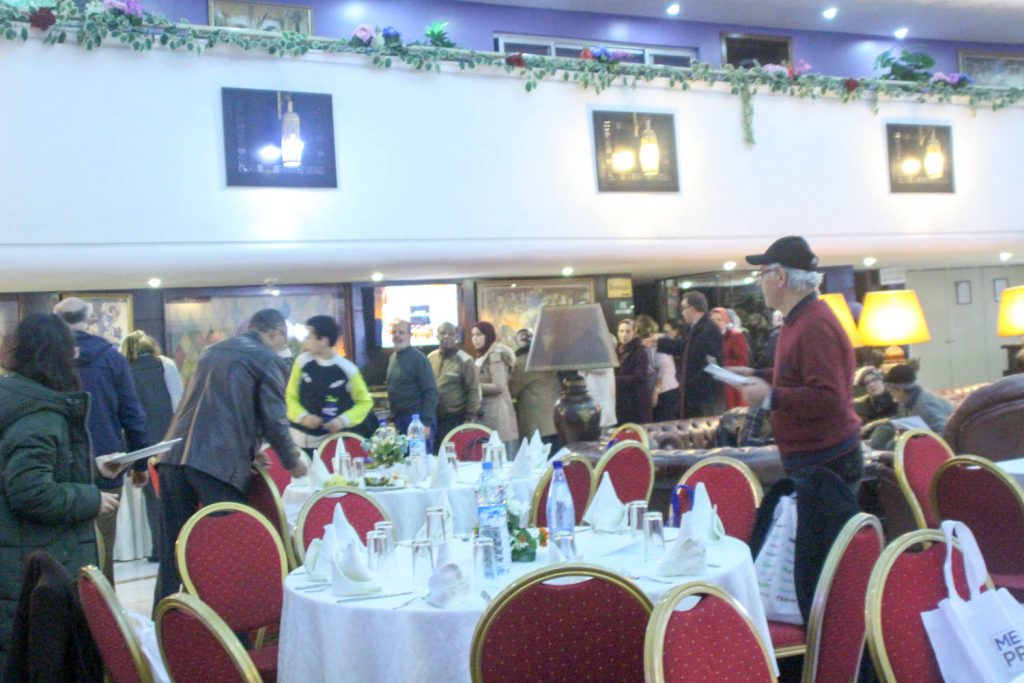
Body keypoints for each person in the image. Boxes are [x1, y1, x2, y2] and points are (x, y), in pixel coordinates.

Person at [155, 309, 307, 603]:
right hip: (217, 464)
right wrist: (292, 461)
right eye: (283, 340)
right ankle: (231, 621)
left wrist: (249, 449)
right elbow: (274, 419)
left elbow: (211, 408)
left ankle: (165, 621)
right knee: (228, 548)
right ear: (277, 332)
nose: (283, 346)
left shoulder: (211, 351)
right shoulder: (268, 359)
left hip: (174, 456)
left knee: (173, 550)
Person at [0, 314, 121, 669]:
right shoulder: (39, 415)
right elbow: (30, 492)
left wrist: (93, 468)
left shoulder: (21, 400)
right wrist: (92, 499)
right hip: (36, 559)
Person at [732, 236, 863, 490]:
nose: (759, 282)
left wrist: (770, 397)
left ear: (780, 276)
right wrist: (756, 373)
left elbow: (828, 397)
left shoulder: (814, 324)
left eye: (762, 274)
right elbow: (797, 374)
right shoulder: (801, 318)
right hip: (817, 458)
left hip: (826, 460)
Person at [54, 297, 150, 583]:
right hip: (106, 464)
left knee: (59, 549)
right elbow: (132, 414)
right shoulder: (112, 358)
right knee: (102, 548)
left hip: (59, 465)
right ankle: (101, 606)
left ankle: (64, 608)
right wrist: (140, 464)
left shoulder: (47, 359)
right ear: (90, 319)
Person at [120, 331, 183, 563]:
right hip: (168, 439)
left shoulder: (125, 369)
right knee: (171, 494)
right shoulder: (165, 364)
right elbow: (178, 401)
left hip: (139, 443)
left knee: (151, 497)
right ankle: (177, 544)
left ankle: (158, 547)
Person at [286, 315, 374, 458]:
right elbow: (290, 396)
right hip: (297, 441)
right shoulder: (301, 362)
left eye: (309, 337)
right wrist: (303, 416)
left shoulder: (348, 369)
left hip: (332, 443)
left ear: (323, 340)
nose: (305, 342)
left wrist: (343, 420)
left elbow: (364, 402)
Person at [644, 291, 724, 418]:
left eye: (684, 308)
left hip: (702, 393)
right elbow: (684, 348)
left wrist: (693, 383)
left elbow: (711, 364)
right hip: (688, 389)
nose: (682, 312)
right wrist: (659, 342)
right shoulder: (691, 328)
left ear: (693, 309)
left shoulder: (709, 329)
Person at [868, 364, 954, 450]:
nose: (890, 392)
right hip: (923, 442)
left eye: (890, 389)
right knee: (887, 437)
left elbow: (944, 434)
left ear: (900, 390)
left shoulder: (926, 405)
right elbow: (902, 421)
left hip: (944, 450)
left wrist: (916, 446)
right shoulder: (905, 401)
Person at [426, 322, 481, 448]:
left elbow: (473, 390)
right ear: (437, 336)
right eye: (442, 333)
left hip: (455, 419)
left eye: (450, 334)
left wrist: (470, 417)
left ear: (456, 336)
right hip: (433, 418)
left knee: (453, 455)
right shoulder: (430, 358)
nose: (446, 336)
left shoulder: (466, 360)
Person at [508, 328, 563, 451]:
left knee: (540, 460)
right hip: (556, 420)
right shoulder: (547, 357)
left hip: (537, 423)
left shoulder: (522, 362)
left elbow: (512, 391)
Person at [385, 320, 439, 445]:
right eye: (394, 332)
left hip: (418, 421)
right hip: (400, 420)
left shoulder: (419, 359)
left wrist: (425, 423)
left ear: (410, 336)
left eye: (401, 332)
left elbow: (431, 391)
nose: (397, 335)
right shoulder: (393, 358)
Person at [470, 321, 519, 454]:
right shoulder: (482, 355)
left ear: (488, 335)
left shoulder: (495, 355)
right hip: (486, 412)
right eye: (473, 335)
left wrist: (474, 388)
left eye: (479, 335)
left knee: (500, 456)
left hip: (497, 413)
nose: (475, 339)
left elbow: (499, 385)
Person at [711, 307, 750, 409]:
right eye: (712, 320)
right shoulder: (709, 337)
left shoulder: (735, 335)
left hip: (731, 386)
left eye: (719, 320)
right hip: (715, 385)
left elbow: (743, 361)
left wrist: (720, 363)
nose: (715, 323)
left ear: (726, 321)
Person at [615, 318, 652, 425]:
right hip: (622, 399)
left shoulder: (639, 351)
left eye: (628, 331)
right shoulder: (617, 349)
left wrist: (615, 380)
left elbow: (639, 377)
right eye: (621, 331)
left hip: (636, 401)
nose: (624, 335)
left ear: (634, 333)